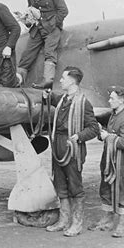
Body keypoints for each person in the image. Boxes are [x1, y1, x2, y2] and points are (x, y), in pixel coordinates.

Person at [43, 66, 99, 237]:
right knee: (60, 184)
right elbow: (54, 99)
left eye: (63, 78)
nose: (60, 80)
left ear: (72, 81)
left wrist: (78, 136)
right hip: (58, 145)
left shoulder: (84, 103)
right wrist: (46, 95)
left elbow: (94, 128)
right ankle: (63, 220)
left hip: (73, 147)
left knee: (75, 187)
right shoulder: (62, 99)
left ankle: (77, 223)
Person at [88, 86, 124, 238]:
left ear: (121, 100)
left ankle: (122, 224)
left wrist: (108, 136)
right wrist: (102, 135)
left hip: (120, 161)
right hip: (108, 158)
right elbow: (111, 136)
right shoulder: (114, 115)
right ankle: (107, 220)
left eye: (112, 98)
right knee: (105, 188)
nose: (109, 100)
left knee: (120, 191)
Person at [17, 0, 69, 89]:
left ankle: (47, 80)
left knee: (49, 52)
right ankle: (18, 78)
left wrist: (48, 22)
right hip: (37, 28)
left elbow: (64, 11)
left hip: (51, 29)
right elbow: (32, 13)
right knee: (27, 53)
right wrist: (26, 19)